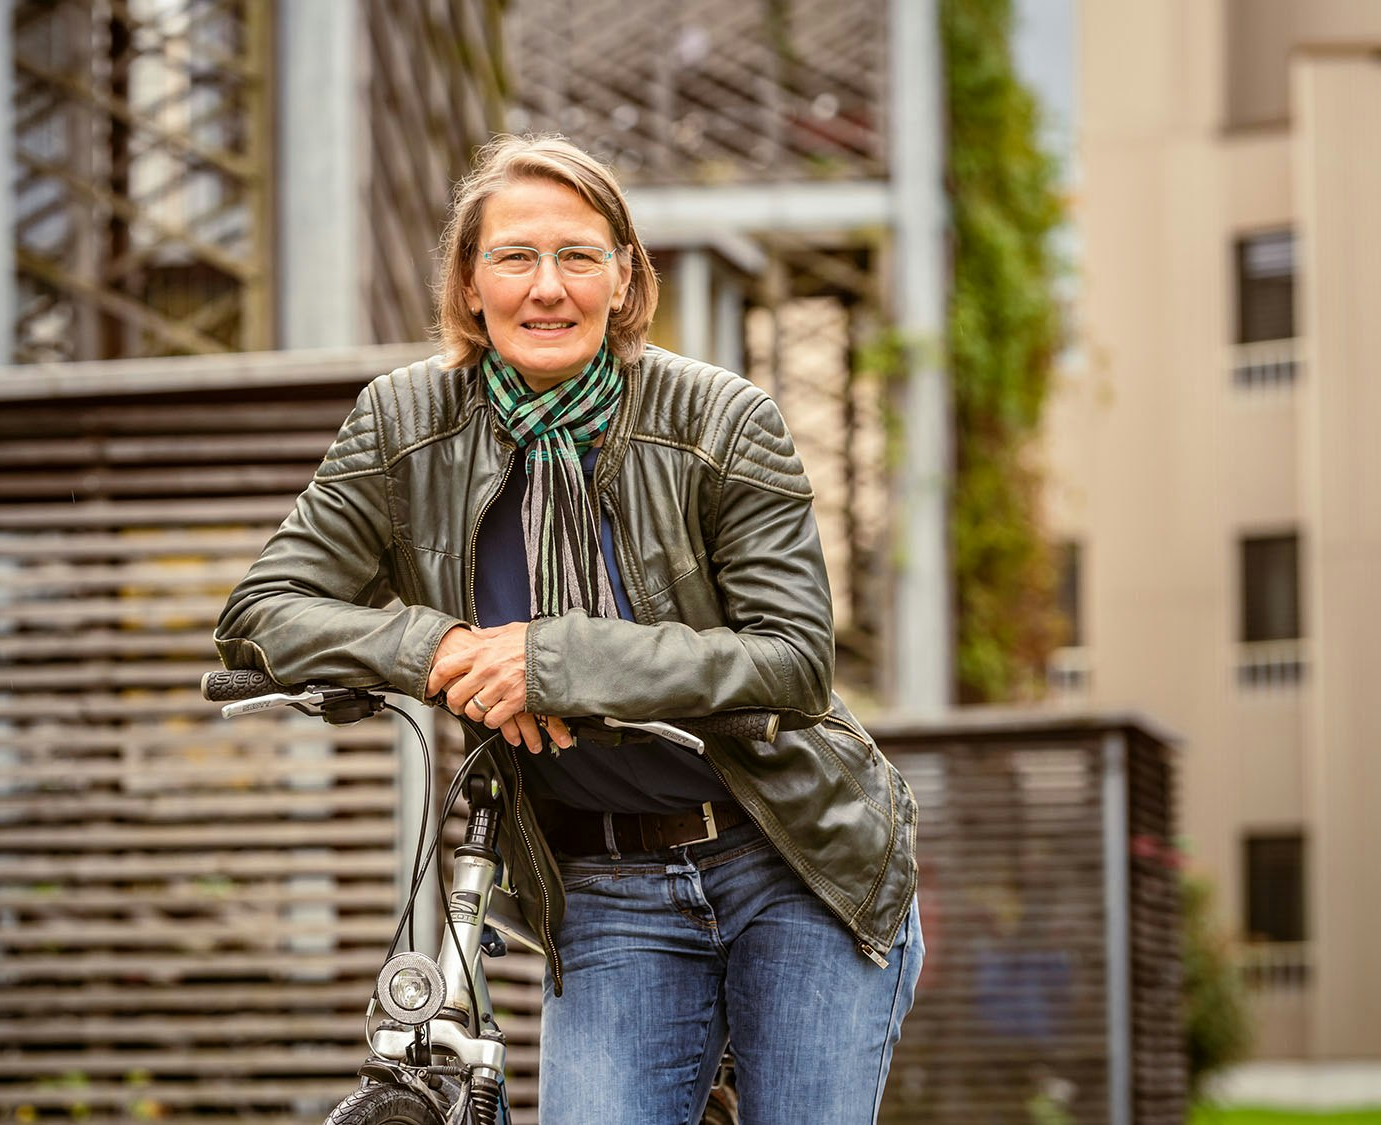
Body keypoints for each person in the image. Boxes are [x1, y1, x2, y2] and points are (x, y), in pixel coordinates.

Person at [214, 133, 921, 1125]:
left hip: (794, 863)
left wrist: (558, 662)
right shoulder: (401, 424)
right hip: (608, 887)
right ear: (468, 281)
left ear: (623, 280)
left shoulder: (721, 420)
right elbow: (258, 616)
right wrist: (442, 650)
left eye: (577, 256)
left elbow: (793, 660)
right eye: (513, 257)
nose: (545, 287)